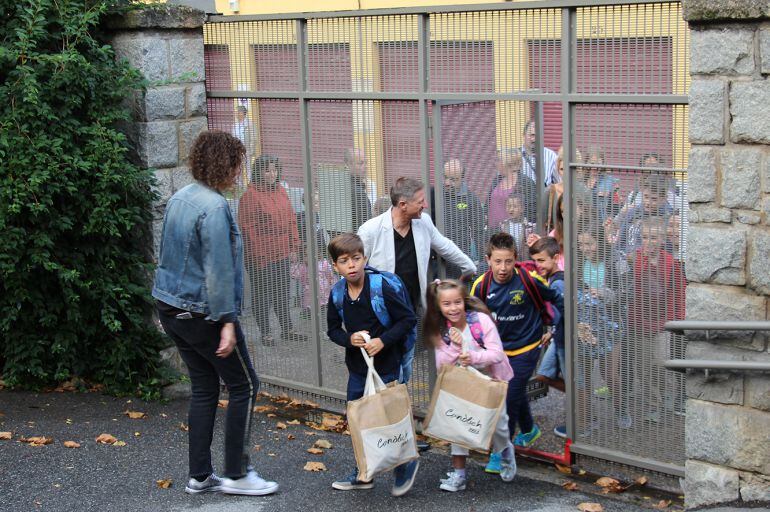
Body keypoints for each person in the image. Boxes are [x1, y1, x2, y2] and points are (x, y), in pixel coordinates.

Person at [152, 130, 278, 496]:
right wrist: (227, 322)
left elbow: (168, 255)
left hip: (172, 308)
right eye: (237, 164)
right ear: (225, 165)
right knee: (245, 385)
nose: (239, 172)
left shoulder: (180, 197)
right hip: (203, 313)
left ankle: (200, 476)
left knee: (205, 387)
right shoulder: (215, 208)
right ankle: (238, 474)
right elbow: (218, 270)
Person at [325, 233, 420, 496]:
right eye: (344, 261)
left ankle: (405, 465)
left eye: (356, 258)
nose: (351, 265)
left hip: (387, 365)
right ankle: (364, 472)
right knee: (358, 419)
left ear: (364, 258)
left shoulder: (381, 287)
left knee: (390, 418)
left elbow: (408, 319)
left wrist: (383, 341)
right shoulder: (337, 294)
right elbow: (332, 330)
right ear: (335, 266)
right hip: (358, 369)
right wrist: (349, 339)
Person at [358, 177, 477, 383]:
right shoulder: (370, 231)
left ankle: (400, 395)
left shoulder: (423, 222)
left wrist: (469, 267)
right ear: (403, 204)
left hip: (409, 310)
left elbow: (444, 245)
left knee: (406, 360)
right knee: (384, 363)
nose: (426, 205)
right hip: (381, 312)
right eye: (421, 201)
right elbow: (355, 268)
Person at [470, 233, 563, 472]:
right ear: (488, 260)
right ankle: (529, 429)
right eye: (497, 261)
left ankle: (501, 451)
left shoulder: (529, 279)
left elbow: (556, 299)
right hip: (499, 352)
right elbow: (473, 319)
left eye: (508, 261)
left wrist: (560, 327)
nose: (503, 268)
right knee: (514, 392)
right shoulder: (481, 285)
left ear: (516, 259)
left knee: (508, 399)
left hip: (527, 348)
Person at [422, 279, 517, 491]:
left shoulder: (480, 321)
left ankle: (505, 450)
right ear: (438, 306)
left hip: (491, 380)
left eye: (457, 302)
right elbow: (442, 366)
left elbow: (497, 353)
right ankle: (459, 474)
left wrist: (472, 356)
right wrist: (456, 347)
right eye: (447, 304)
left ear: (464, 301)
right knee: (459, 425)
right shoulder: (441, 330)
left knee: (499, 425)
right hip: (461, 384)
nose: (453, 308)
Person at [238, 155, 305, 346]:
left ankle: (287, 329)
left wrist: (294, 246)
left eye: (274, 170)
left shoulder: (281, 191)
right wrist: (260, 256)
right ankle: (265, 332)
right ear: (258, 172)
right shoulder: (250, 196)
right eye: (267, 170)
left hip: (282, 252)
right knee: (263, 295)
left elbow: (291, 219)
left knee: (282, 292)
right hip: (261, 256)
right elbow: (248, 229)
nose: (271, 174)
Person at [627, 217, 686, 423]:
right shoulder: (634, 259)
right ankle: (654, 403)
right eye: (644, 237)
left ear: (662, 239)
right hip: (639, 321)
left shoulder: (671, 263)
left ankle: (665, 394)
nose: (648, 242)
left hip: (663, 323)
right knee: (643, 366)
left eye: (653, 238)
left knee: (661, 362)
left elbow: (679, 293)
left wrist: (678, 320)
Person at [575, 225, 630, 433]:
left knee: (610, 374)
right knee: (583, 375)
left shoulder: (616, 260)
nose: (585, 248)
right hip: (584, 325)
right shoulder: (577, 261)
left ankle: (621, 410)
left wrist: (605, 293)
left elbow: (628, 292)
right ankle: (587, 418)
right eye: (581, 244)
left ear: (600, 241)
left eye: (589, 243)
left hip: (610, 324)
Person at [530, 237, 567, 438]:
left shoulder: (558, 283)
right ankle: (581, 400)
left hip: (565, 339)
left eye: (542, 260)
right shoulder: (553, 279)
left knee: (572, 381)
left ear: (556, 257)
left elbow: (559, 313)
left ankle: (581, 417)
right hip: (558, 335)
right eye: (535, 260)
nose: (538, 265)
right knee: (544, 375)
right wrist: (551, 331)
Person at [430, 159, 486, 275]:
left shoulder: (471, 199)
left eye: (453, 179)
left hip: (458, 257)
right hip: (435, 258)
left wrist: (483, 262)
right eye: (445, 177)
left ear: (462, 178)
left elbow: (478, 233)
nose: (447, 183)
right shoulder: (434, 195)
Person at [487, 148, 537, 229]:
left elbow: (532, 209)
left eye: (498, 160)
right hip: (493, 230)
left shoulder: (526, 183)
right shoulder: (496, 180)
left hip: (514, 230)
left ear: (507, 163)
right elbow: (488, 203)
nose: (495, 163)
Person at [520, 119, 560, 187]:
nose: (534, 139)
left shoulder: (551, 156)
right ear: (524, 136)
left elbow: (559, 182)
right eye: (532, 135)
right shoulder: (516, 156)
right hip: (523, 193)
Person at [499, 192, 535, 261]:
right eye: (509, 206)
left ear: (522, 208)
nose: (511, 209)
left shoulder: (529, 227)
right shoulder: (503, 225)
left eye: (515, 206)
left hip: (524, 261)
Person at [344, 147, 373, 232]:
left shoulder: (343, 185)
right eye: (360, 163)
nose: (366, 166)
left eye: (366, 163)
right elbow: (365, 225)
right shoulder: (356, 192)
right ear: (348, 164)